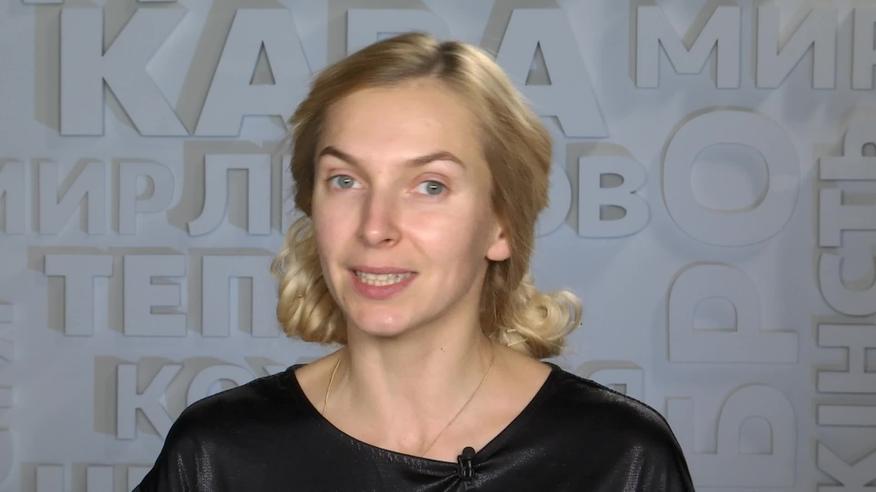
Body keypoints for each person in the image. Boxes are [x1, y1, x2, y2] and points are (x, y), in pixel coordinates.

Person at [134, 32, 694, 491]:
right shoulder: (217, 455)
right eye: (345, 180)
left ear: (501, 224)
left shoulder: (621, 457)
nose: (375, 226)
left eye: (430, 186)